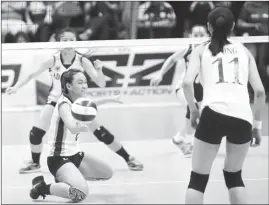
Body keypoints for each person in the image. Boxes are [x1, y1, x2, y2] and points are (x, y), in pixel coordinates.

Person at [5, 27, 143, 173]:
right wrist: (16, 87)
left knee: (101, 133)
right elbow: (31, 75)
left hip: (79, 104)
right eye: (65, 40)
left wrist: (100, 70)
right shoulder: (53, 60)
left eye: (72, 40)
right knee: (36, 133)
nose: (68, 43)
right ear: (59, 42)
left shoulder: (82, 61)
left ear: (76, 42)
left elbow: (101, 83)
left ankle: (129, 158)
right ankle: (35, 163)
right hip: (55, 102)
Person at [182, 7, 265, 204]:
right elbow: (260, 92)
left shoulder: (200, 50)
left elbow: (186, 83)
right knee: (234, 176)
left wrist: (193, 111)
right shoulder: (245, 51)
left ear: (208, 27)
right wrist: (257, 127)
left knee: (198, 179)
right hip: (242, 116)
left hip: (212, 113)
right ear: (233, 27)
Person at [30, 69, 124, 202]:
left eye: (85, 82)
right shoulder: (63, 104)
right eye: (80, 83)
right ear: (68, 86)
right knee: (79, 194)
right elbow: (71, 125)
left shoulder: (78, 100)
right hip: (58, 159)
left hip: (75, 155)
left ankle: (66, 179)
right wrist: (80, 126)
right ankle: (42, 187)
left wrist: (111, 99)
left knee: (107, 173)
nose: (84, 85)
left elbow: (91, 104)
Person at [150, 24, 209, 156]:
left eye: (201, 35)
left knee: (201, 115)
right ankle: (190, 144)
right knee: (191, 108)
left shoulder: (211, 50)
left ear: (207, 36)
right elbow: (171, 59)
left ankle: (178, 138)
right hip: (183, 87)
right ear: (190, 36)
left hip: (200, 88)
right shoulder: (187, 48)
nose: (198, 37)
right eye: (195, 35)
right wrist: (160, 74)